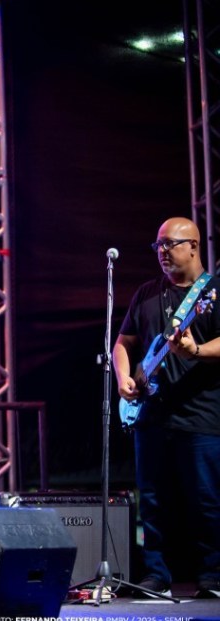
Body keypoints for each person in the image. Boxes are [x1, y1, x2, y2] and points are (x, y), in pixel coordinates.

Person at [113, 216, 220, 599]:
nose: (161, 253)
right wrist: (123, 377)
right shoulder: (146, 292)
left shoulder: (212, 292)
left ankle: (213, 576)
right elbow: (123, 343)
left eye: (169, 245)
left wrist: (197, 350)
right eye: (157, 246)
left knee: (207, 501)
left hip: (201, 414)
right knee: (153, 501)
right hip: (151, 416)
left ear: (193, 245)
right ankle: (156, 575)